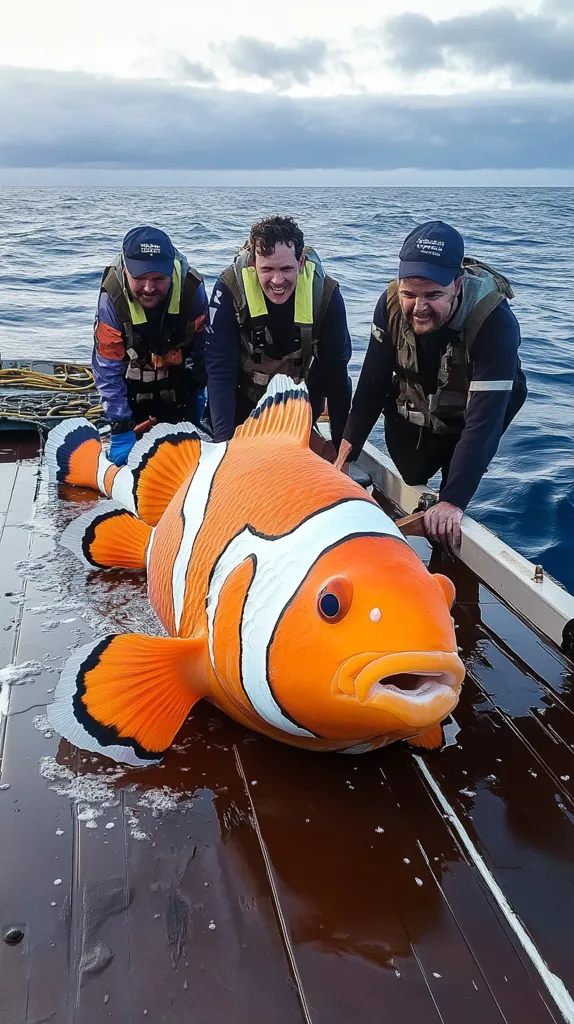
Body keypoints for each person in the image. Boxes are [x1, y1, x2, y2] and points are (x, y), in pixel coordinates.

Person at [335, 221, 527, 552]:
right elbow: (371, 385)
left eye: (433, 295)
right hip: (418, 396)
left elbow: (484, 424)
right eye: (409, 294)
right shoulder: (390, 305)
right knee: (412, 471)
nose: (419, 307)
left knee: (452, 495)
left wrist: (452, 501)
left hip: (474, 411)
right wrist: (342, 457)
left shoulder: (496, 323)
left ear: (457, 284)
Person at [204, 215, 352, 455]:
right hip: (243, 408)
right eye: (267, 269)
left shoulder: (326, 295)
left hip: (299, 412)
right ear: (253, 263)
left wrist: (342, 453)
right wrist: (224, 447)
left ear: (301, 262)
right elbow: (220, 370)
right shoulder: (229, 289)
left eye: (286, 269)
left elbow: (336, 376)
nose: (277, 280)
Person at [93, 226, 208, 465]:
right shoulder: (111, 300)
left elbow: (205, 353)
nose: (148, 288)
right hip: (131, 397)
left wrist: (202, 402)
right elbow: (107, 369)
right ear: (126, 270)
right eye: (140, 278)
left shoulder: (192, 291)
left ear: (170, 270)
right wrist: (120, 427)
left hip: (179, 393)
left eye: (158, 278)